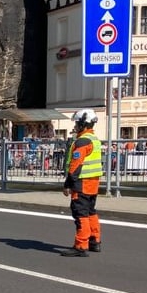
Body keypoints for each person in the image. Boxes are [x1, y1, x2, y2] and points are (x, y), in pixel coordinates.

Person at [60, 109, 103, 257]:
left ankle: (80, 246)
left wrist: (67, 184)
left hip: (82, 182)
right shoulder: (94, 139)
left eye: (78, 123)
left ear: (84, 124)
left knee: (80, 214)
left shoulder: (82, 141)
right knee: (91, 212)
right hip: (93, 182)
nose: (76, 126)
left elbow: (76, 165)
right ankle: (95, 241)